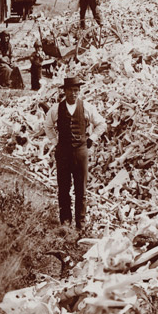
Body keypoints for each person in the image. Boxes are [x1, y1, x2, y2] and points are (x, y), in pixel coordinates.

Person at [43, 76, 106, 232]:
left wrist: (92, 137)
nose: (74, 93)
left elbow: (102, 124)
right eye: (71, 90)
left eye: (77, 90)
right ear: (64, 91)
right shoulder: (56, 109)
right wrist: (55, 142)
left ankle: (80, 223)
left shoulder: (86, 107)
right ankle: (65, 221)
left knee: (81, 190)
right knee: (63, 188)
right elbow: (47, 126)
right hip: (63, 153)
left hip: (80, 153)